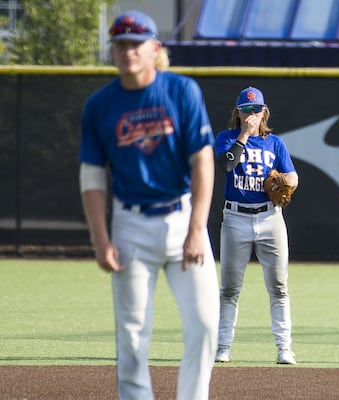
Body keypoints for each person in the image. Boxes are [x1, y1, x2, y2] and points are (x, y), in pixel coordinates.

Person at [79, 10, 219, 400]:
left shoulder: (181, 91)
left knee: (206, 324)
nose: (128, 51)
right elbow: (91, 176)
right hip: (131, 225)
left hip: (182, 217)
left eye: (136, 43)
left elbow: (203, 160)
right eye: (120, 44)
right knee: (132, 333)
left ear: (155, 48)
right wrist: (100, 238)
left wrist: (196, 229)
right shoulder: (100, 105)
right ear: (113, 50)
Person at [214, 87, 299, 365]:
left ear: (265, 112)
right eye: (247, 109)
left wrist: (288, 183)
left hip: (269, 217)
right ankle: (223, 346)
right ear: (238, 113)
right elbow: (227, 165)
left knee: (279, 286)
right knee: (229, 288)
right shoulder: (226, 138)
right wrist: (243, 135)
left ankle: (284, 348)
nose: (253, 114)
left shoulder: (275, 143)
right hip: (236, 217)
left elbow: (292, 175)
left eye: (257, 109)